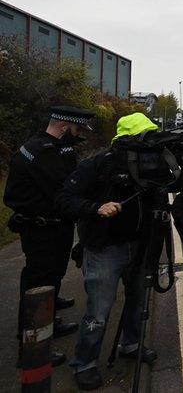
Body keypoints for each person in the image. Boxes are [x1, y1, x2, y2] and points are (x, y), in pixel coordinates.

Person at [57, 113, 160, 390]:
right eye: (142, 138)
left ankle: (131, 344)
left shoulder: (147, 167)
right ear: (126, 140)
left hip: (138, 246)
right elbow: (65, 198)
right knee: (98, 312)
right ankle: (85, 363)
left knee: (137, 303)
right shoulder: (98, 164)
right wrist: (96, 208)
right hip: (104, 250)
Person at [3, 105, 93, 367]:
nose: (79, 136)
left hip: (48, 227)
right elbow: (66, 189)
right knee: (39, 283)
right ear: (63, 127)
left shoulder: (41, 145)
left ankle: (48, 319)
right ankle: (32, 350)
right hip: (43, 229)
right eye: (77, 130)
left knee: (51, 277)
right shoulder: (46, 154)